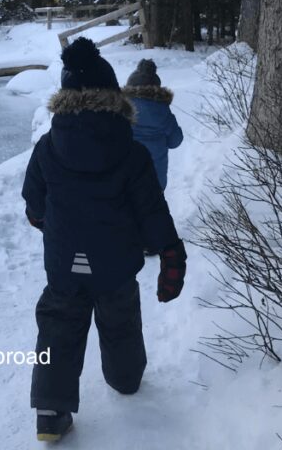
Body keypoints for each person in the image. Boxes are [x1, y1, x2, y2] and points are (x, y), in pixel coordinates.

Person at [22, 37, 186, 443]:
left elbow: (32, 198)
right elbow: (152, 211)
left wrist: (42, 219)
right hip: (114, 264)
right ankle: (125, 379)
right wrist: (170, 253)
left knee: (59, 327)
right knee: (121, 323)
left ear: (64, 98)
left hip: (64, 261)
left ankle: (50, 411)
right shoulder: (131, 154)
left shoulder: (47, 146)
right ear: (114, 97)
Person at [122, 59, 184, 191]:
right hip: (155, 180)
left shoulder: (122, 109)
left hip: (126, 177)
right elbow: (175, 141)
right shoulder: (163, 110)